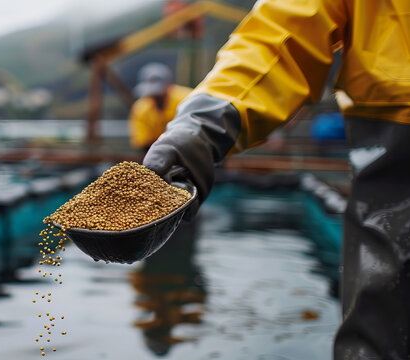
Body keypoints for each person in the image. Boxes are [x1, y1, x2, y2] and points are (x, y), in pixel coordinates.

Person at [141, 1, 410, 358]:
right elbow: (283, 35)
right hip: (395, 168)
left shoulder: (174, 93)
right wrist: (198, 129)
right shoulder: (142, 110)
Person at [129, 63, 192, 151]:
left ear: (169, 85)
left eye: (159, 95)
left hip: (189, 148)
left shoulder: (188, 99)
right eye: (152, 95)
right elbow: (142, 141)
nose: (156, 98)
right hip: (155, 151)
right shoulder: (141, 108)